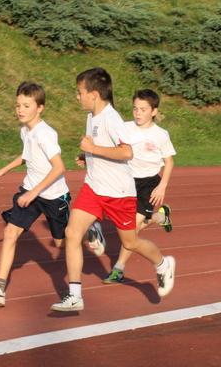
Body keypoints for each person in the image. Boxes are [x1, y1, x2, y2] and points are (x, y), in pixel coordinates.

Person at [50, 68, 176, 312]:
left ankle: (163, 264)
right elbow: (100, 147)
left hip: (119, 193)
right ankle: (74, 295)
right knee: (72, 233)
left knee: (130, 242)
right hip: (94, 187)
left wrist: (93, 150)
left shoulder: (112, 119)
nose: (77, 97)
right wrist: (87, 156)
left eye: (80, 92)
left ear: (94, 94)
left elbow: (127, 152)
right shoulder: (92, 116)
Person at [0, 81, 71, 307]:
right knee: (10, 232)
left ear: (40, 108)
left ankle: (89, 232)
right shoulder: (25, 131)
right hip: (31, 190)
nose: (20, 110)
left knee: (62, 243)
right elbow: (26, 155)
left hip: (54, 196)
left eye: (26, 106)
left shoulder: (45, 134)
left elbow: (59, 167)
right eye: (18, 105)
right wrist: (5, 169)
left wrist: (34, 193)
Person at [100, 89, 175, 284]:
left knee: (132, 229)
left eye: (143, 109)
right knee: (130, 225)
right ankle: (160, 217)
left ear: (154, 111)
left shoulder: (161, 134)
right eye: (135, 109)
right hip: (126, 181)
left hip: (149, 185)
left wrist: (162, 186)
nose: (138, 113)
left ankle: (118, 269)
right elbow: (113, 148)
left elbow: (169, 162)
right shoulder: (125, 128)